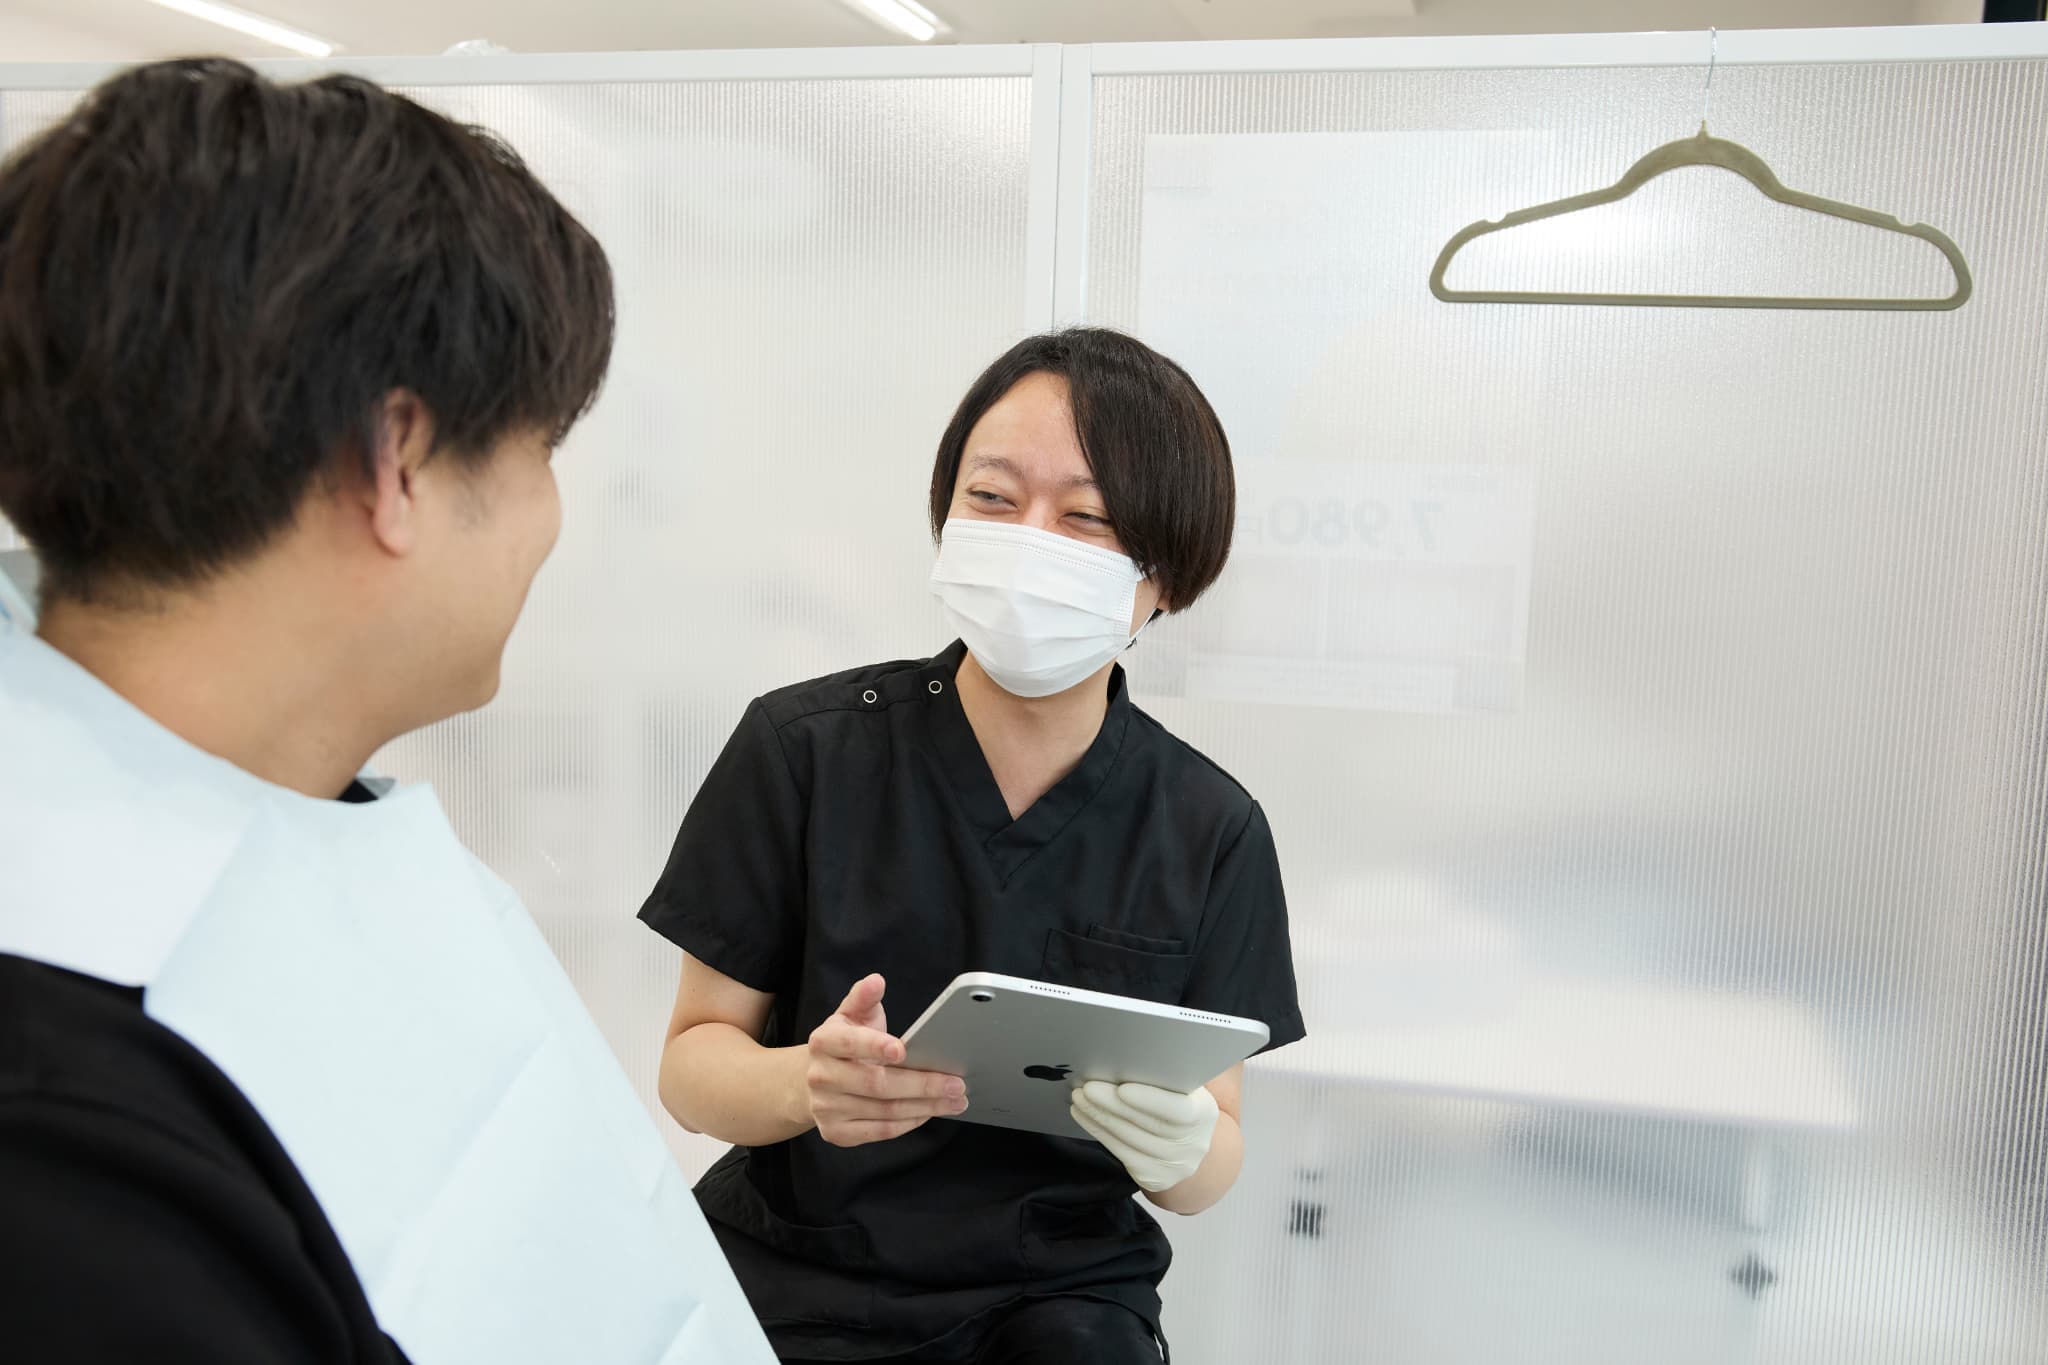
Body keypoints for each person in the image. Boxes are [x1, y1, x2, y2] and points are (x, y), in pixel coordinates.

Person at [0, 60, 768, 1363]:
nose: (552, 519)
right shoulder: (71, 1125)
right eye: (540, 450)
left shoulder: (296, 811)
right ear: (396, 458)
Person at [641, 327, 1306, 1364]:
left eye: (1084, 517)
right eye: (991, 498)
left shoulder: (1209, 829)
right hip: (795, 1271)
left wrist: (1183, 1147)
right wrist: (804, 1085)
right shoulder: (803, 750)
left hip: (1058, 1299)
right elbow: (691, 1066)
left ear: (1166, 577)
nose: (1029, 541)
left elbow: (1210, 1161)